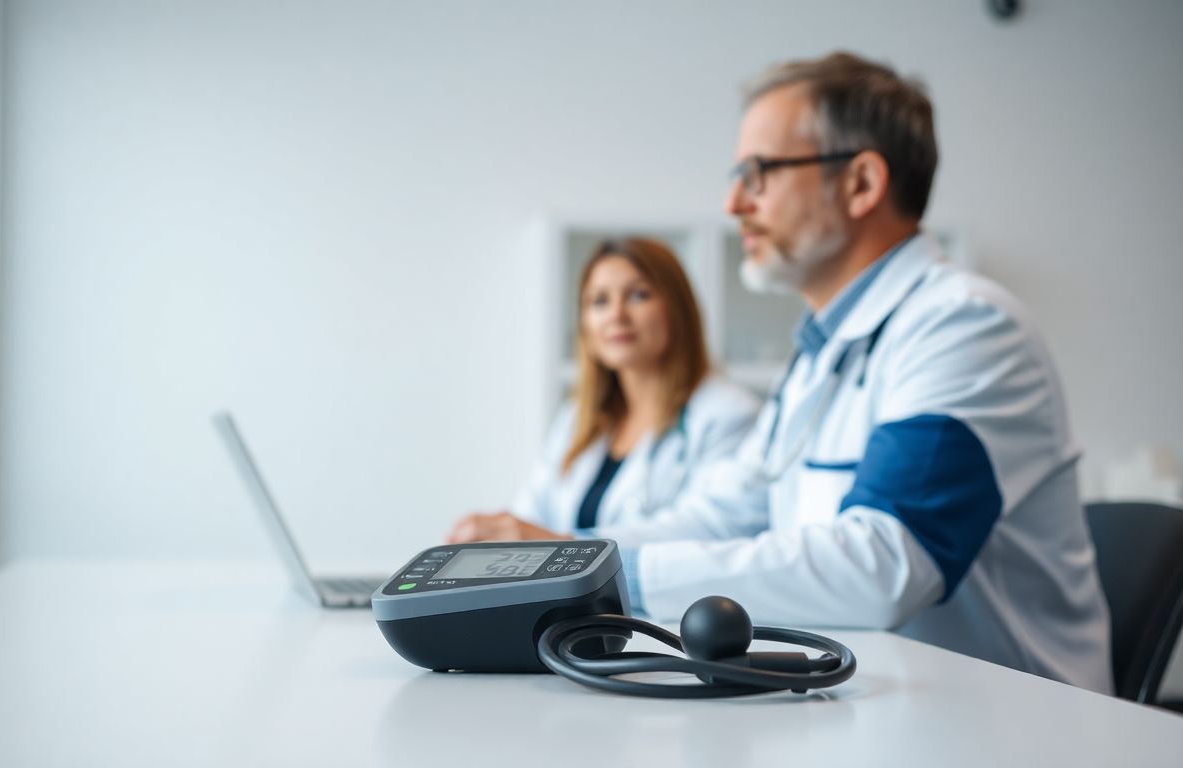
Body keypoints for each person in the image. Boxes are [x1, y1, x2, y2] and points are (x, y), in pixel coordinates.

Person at [461, 52, 1115, 693]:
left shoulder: (964, 328)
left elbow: (883, 565)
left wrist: (604, 575)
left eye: (759, 172)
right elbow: (729, 514)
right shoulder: (818, 359)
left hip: (1010, 729)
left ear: (861, 183)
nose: (734, 203)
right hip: (874, 710)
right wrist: (569, 556)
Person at [446, 237, 761, 544]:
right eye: (599, 301)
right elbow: (532, 515)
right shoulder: (576, 420)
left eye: (638, 295)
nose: (617, 315)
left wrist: (565, 545)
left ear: (678, 309)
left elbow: (712, 530)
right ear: (584, 325)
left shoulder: (728, 414)